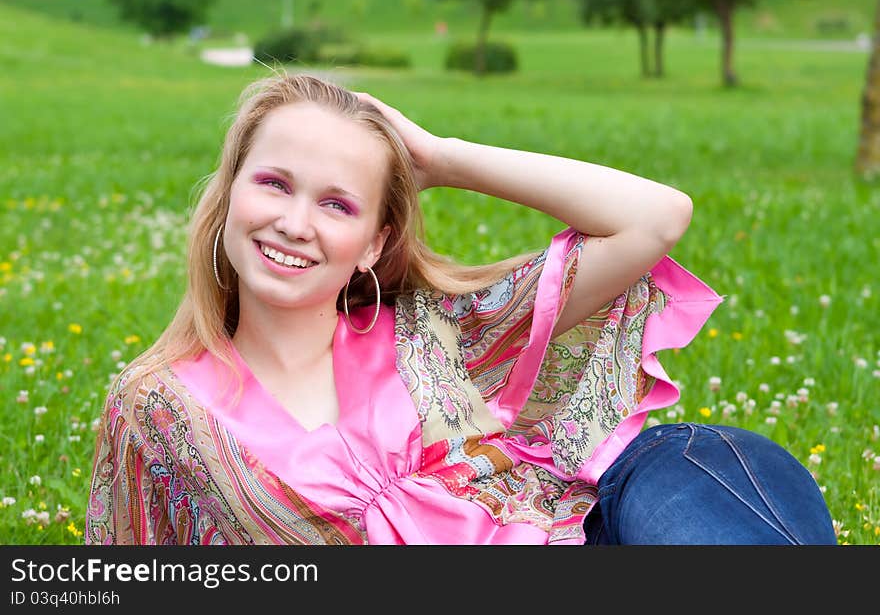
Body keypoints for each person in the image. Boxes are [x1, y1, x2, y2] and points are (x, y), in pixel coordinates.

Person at [85, 72, 836, 545]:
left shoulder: (429, 334)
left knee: (699, 508)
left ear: (375, 241)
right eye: (274, 183)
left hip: (637, 496)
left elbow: (655, 217)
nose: (295, 222)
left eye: (337, 203)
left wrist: (440, 156)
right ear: (230, 194)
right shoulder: (160, 406)